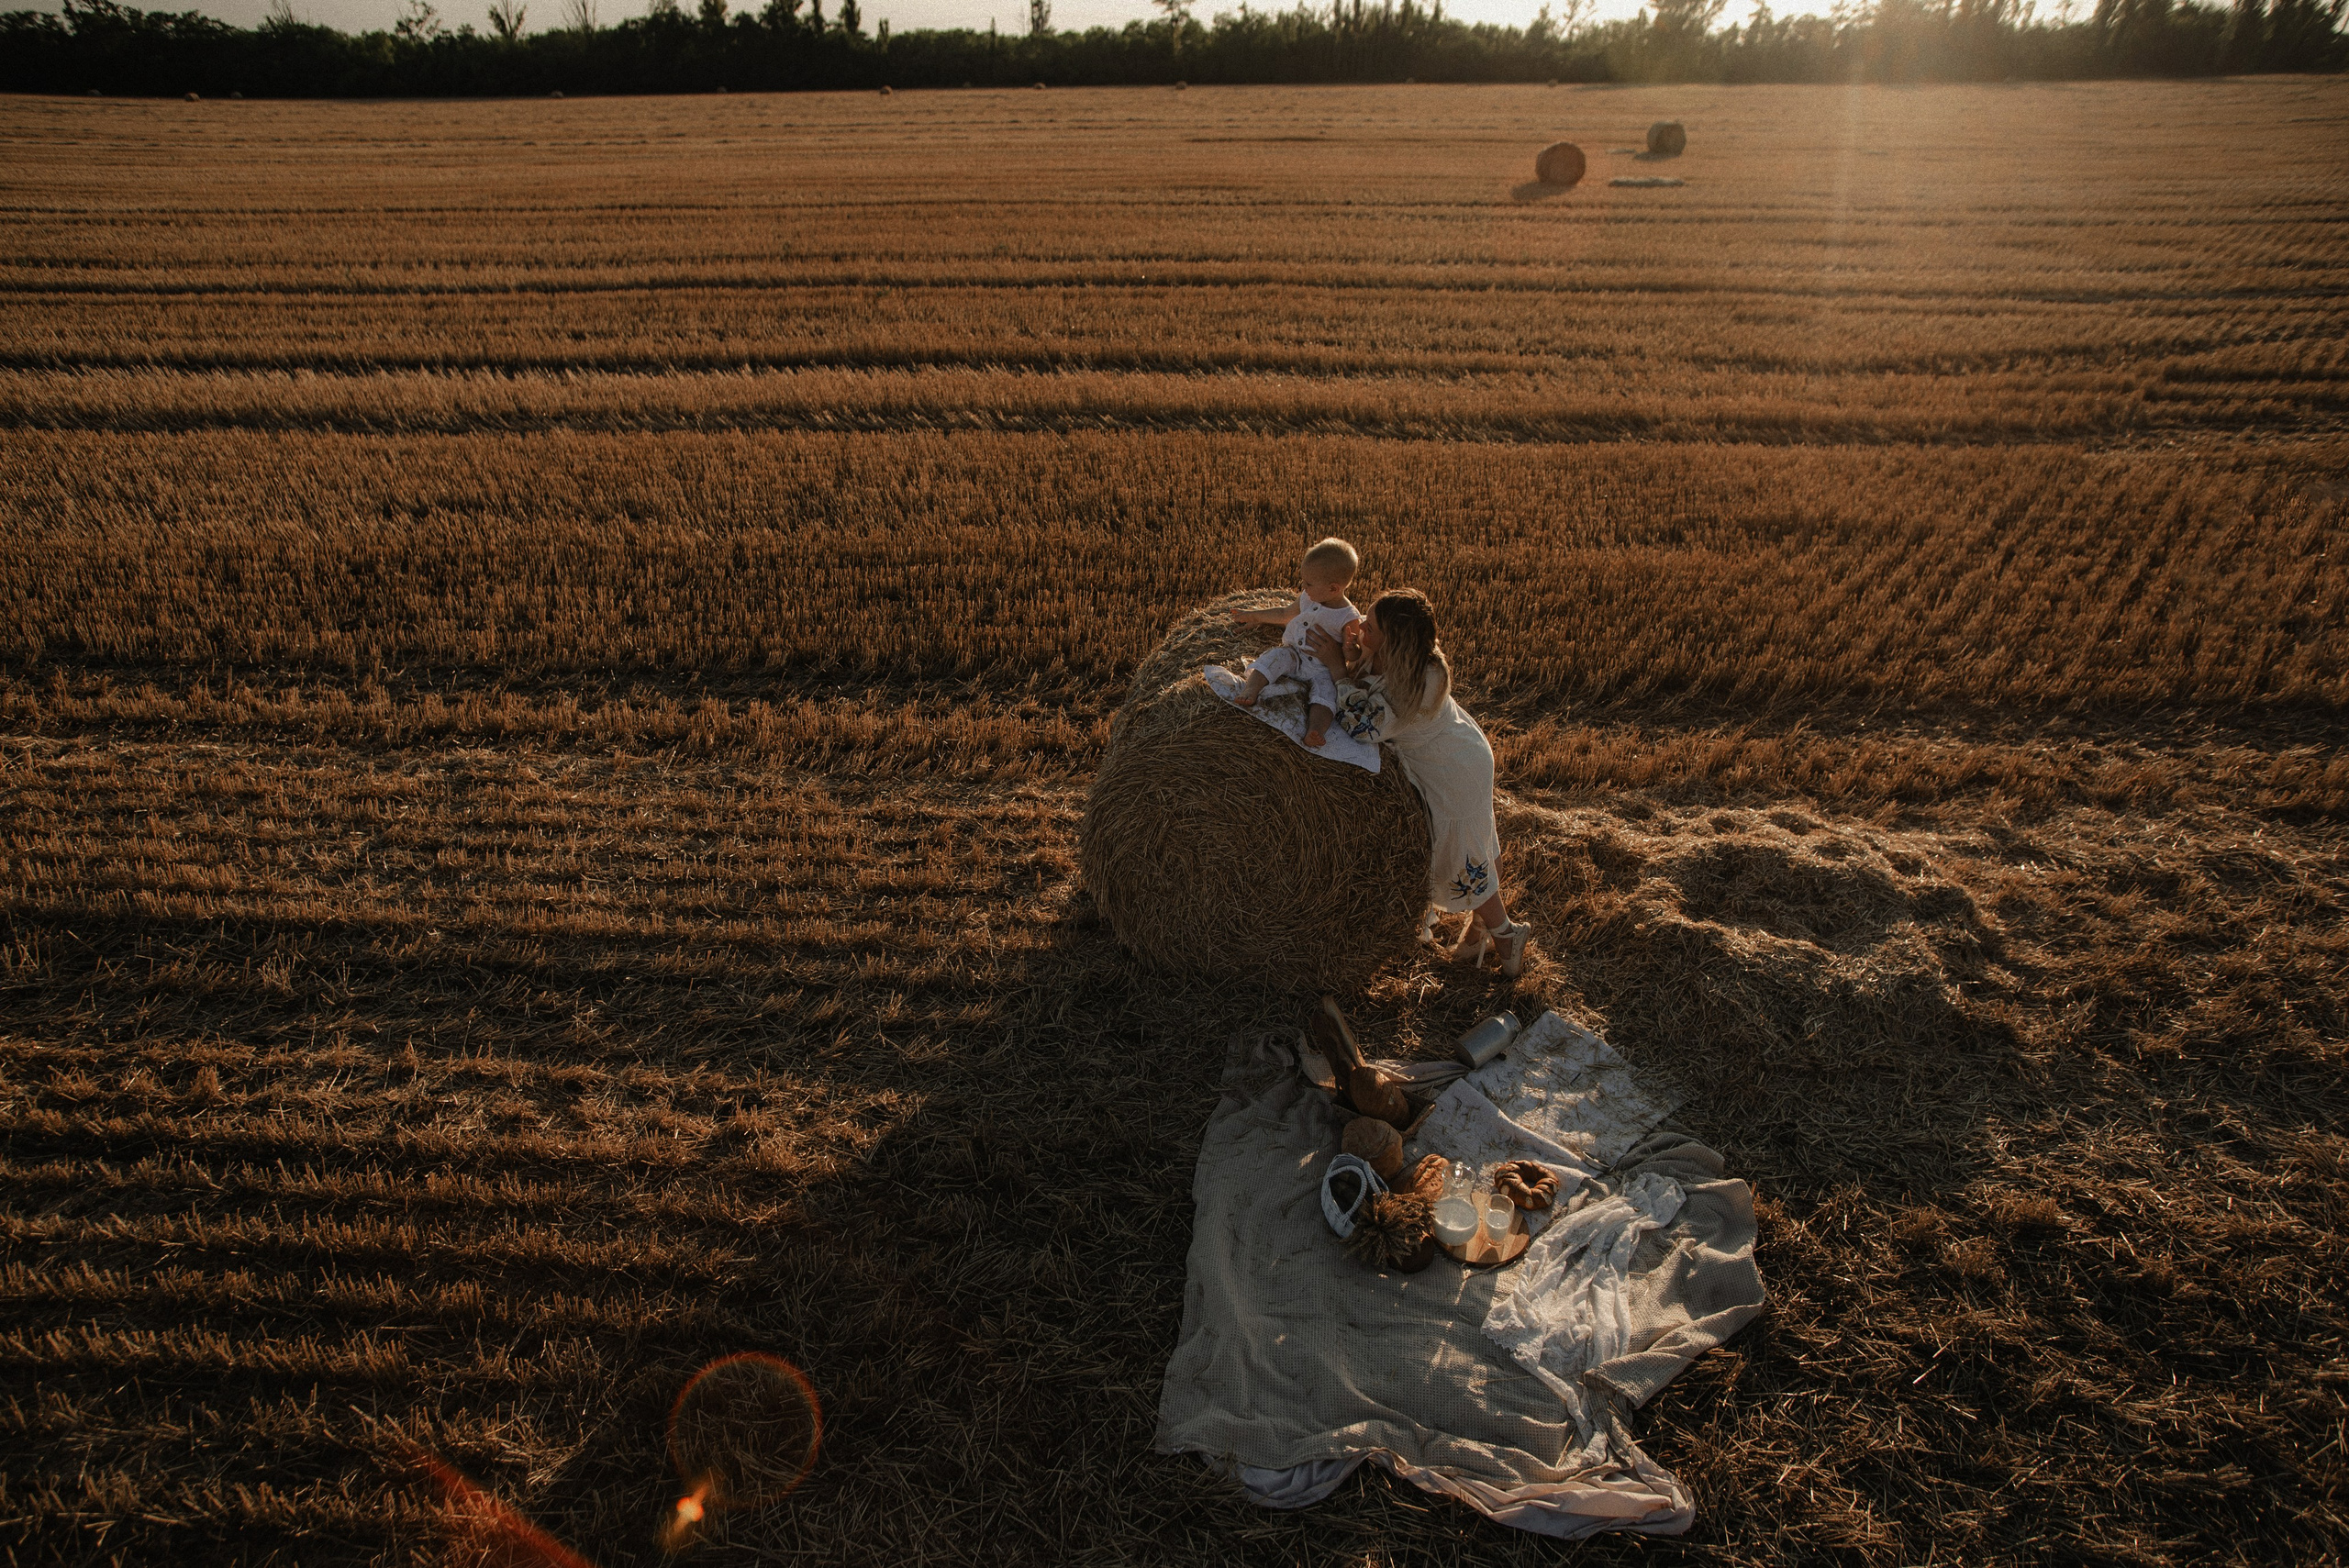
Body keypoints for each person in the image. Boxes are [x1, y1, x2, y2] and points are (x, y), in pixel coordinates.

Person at [1307, 588, 1532, 977]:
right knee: (1479, 840)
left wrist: (1337, 669)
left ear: (1392, 639)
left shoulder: (1415, 683)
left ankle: (1506, 935)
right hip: (1463, 752)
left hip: (1453, 772)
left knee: (1466, 858)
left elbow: (1365, 726)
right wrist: (1357, 652)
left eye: (1371, 625)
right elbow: (1370, 683)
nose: (1360, 624)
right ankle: (1478, 934)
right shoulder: (1404, 658)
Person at [1228, 538, 1362, 748]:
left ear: (1333, 588)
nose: (1303, 586)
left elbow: (1352, 658)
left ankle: (1315, 729)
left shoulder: (1348, 617)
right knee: (1274, 656)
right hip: (1295, 654)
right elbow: (1284, 614)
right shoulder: (1308, 598)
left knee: (1327, 694)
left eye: (1308, 583)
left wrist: (1351, 649)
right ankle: (1251, 689)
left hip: (1322, 668)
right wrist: (1254, 616)